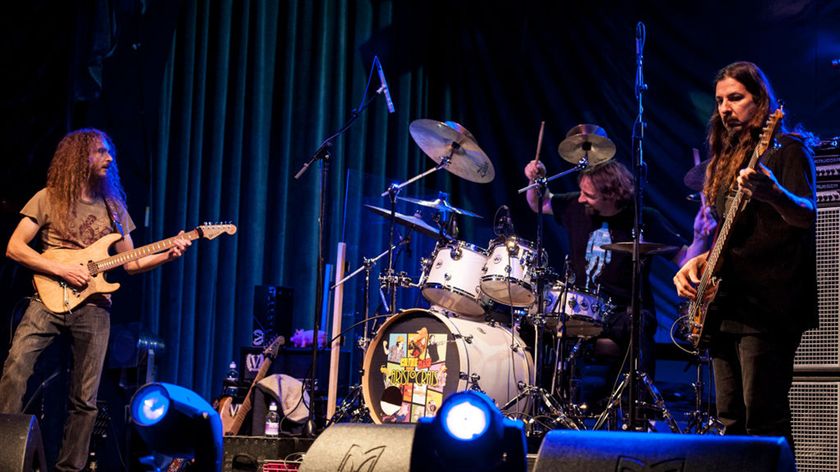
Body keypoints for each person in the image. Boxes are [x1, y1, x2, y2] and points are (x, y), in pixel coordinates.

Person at [0, 128, 191, 471]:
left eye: (109, 152)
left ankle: (70, 469)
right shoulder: (48, 198)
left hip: (94, 307)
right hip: (46, 299)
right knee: (15, 368)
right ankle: (4, 453)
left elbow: (131, 263)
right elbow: (15, 247)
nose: (109, 158)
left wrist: (169, 253)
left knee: (85, 399)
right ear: (79, 157)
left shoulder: (114, 208)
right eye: (101, 152)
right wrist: (61, 270)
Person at [673, 61, 817, 449]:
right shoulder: (726, 158)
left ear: (760, 100)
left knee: (764, 420)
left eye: (735, 98)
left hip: (769, 304)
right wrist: (699, 261)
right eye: (720, 100)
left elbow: (806, 215)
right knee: (730, 421)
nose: (724, 108)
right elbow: (732, 233)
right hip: (727, 303)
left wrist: (775, 194)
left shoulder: (786, 149)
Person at [524, 148, 704, 410]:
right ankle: (545, 403)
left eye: (589, 195)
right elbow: (540, 203)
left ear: (611, 195)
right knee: (533, 325)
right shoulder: (576, 206)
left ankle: (637, 406)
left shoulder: (644, 218)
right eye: (582, 192)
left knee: (639, 325)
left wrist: (700, 236)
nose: (582, 199)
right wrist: (534, 180)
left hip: (623, 311)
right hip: (580, 307)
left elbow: (685, 258)